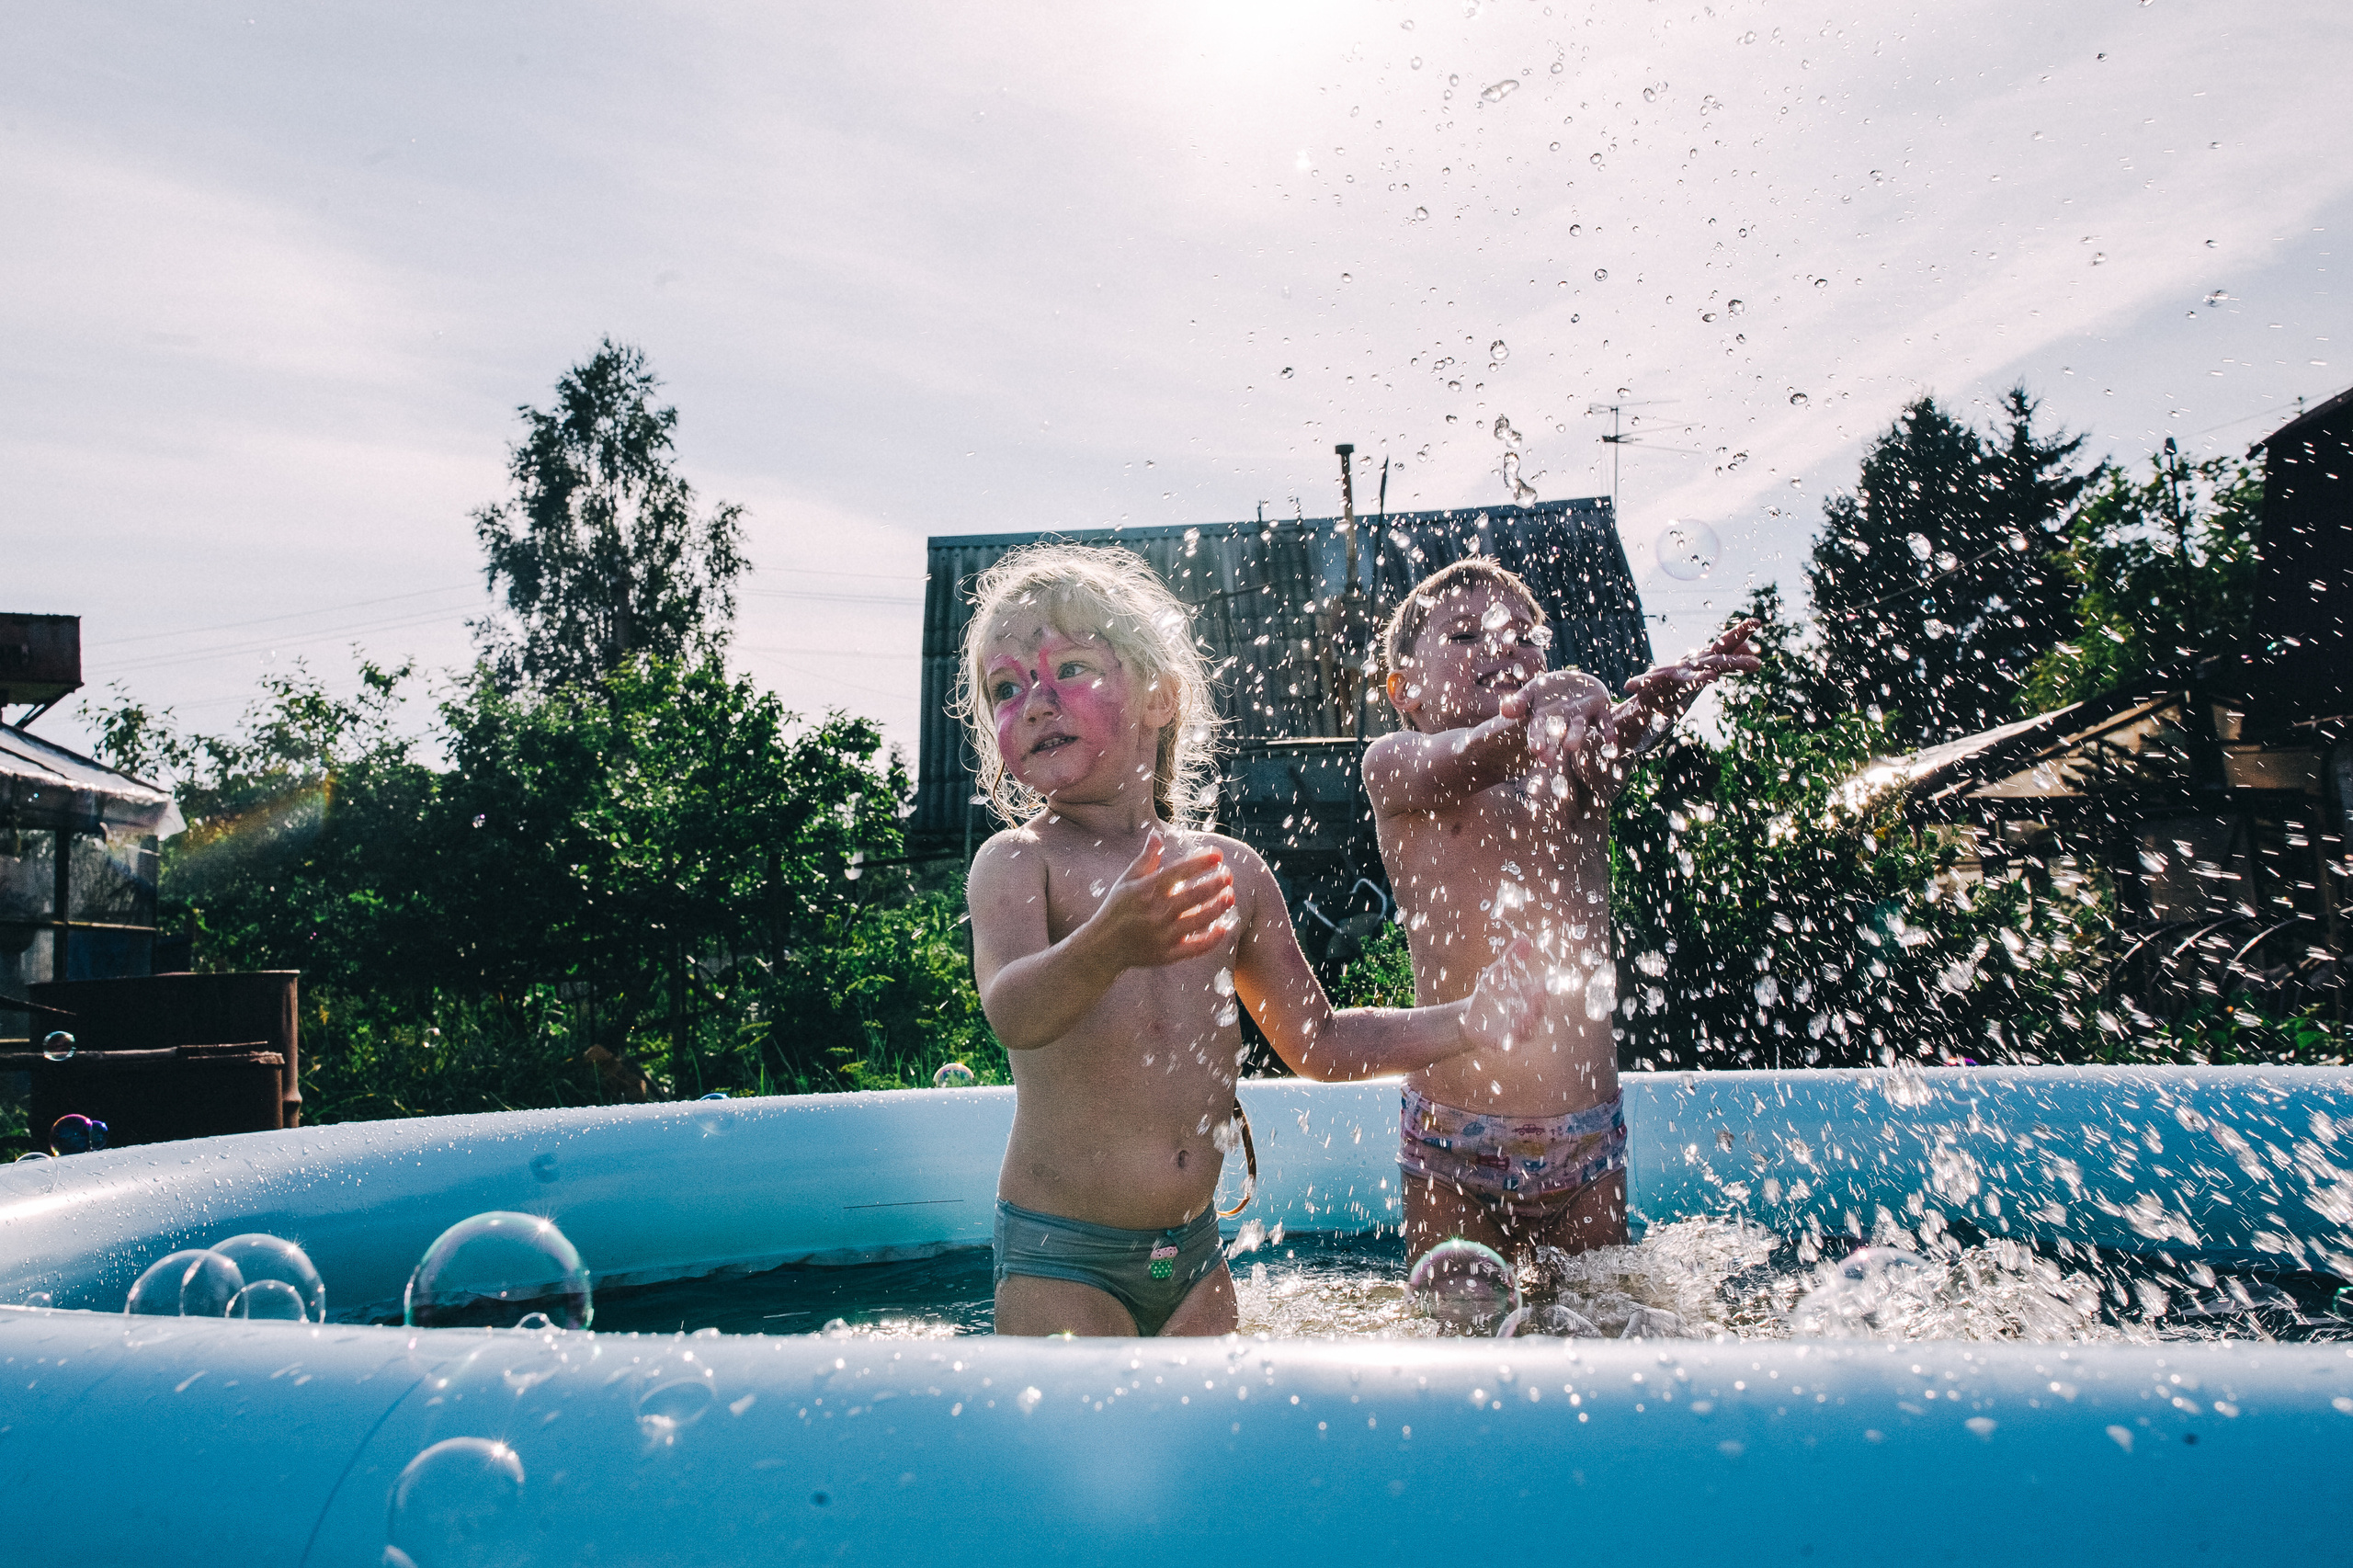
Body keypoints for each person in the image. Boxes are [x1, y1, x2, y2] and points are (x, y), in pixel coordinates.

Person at [960, 543, 1547, 1337]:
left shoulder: (1229, 870)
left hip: (1196, 1259)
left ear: (1161, 698)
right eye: (1005, 687)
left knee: (1209, 1460)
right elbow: (1013, 1011)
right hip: (1065, 1258)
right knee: (1086, 1458)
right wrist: (1110, 942)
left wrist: (1466, 1021)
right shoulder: (1017, 863)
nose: (1032, 703)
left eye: (1068, 671)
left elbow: (1322, 1042)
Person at [1364, 556, 1759, 1266]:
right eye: (1464, 635)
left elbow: (1622, 739)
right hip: (1452, 1140)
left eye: (1523, 633)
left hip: (1584, 1138)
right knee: (1458, 1327)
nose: (1502, 645)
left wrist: (1663, 701)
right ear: (1405, 689)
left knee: (1597, 1322)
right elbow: (1477, 752)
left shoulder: (1572, 767)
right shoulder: (1396, 763)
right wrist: (1554, 704)